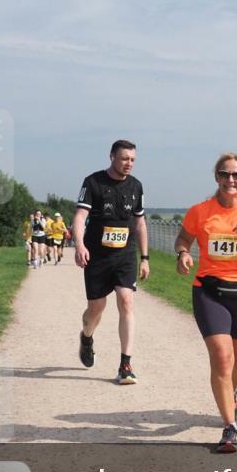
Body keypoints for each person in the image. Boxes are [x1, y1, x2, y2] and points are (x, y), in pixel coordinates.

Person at [174, 152, 237, 453]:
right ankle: (230, 427)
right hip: (210, 291)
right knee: (222, 356)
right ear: (216, 177)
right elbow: (183, 238)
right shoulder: (200, 211)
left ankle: (228, 392)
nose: (231, 180)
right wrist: (183, 254)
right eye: (225, 174)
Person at [73, 140, 150, 385]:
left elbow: (139, 223)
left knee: (126, 301)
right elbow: (80, 216)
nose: (129, 164)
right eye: (125, 158)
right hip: (97, 256)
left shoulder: (136, 186)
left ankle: (125, 365)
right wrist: (80, 244)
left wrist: (145, 258)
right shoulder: (93, 182)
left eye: (133, 160)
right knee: (96, 309)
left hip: (125, 255)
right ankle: (87, 337)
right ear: (111, 157)